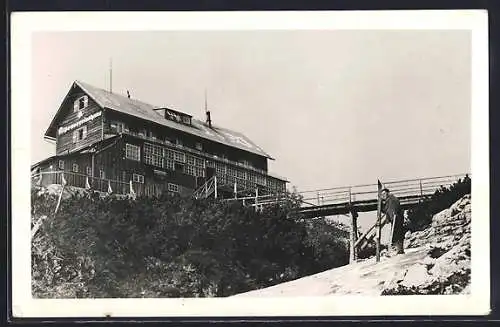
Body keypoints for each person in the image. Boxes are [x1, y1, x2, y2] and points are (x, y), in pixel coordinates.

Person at [380, 188, 405, 255]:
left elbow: (395, 207)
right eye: (382, 194)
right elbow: (386, 210)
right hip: (393, 218)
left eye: (384, 194)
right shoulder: (387, 201)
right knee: (396, 233)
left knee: (397, 233)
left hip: (397, 218)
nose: (383, 195)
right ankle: (399, 249)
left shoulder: (392, 199)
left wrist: (394, 213)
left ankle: (399, 249)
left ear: (387, 193)